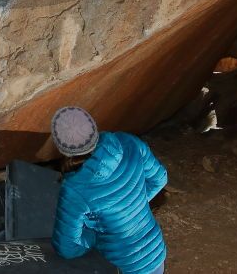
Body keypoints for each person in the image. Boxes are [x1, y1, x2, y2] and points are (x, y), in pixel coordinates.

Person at [50, 107, 168, 274]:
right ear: (93, 128)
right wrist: (135, 204)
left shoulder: (74, 189)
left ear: (63, 148)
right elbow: (160, 178)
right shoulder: (128, 142)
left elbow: (68, 248)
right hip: (155, 250)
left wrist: (93, 236)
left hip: (125, 264)